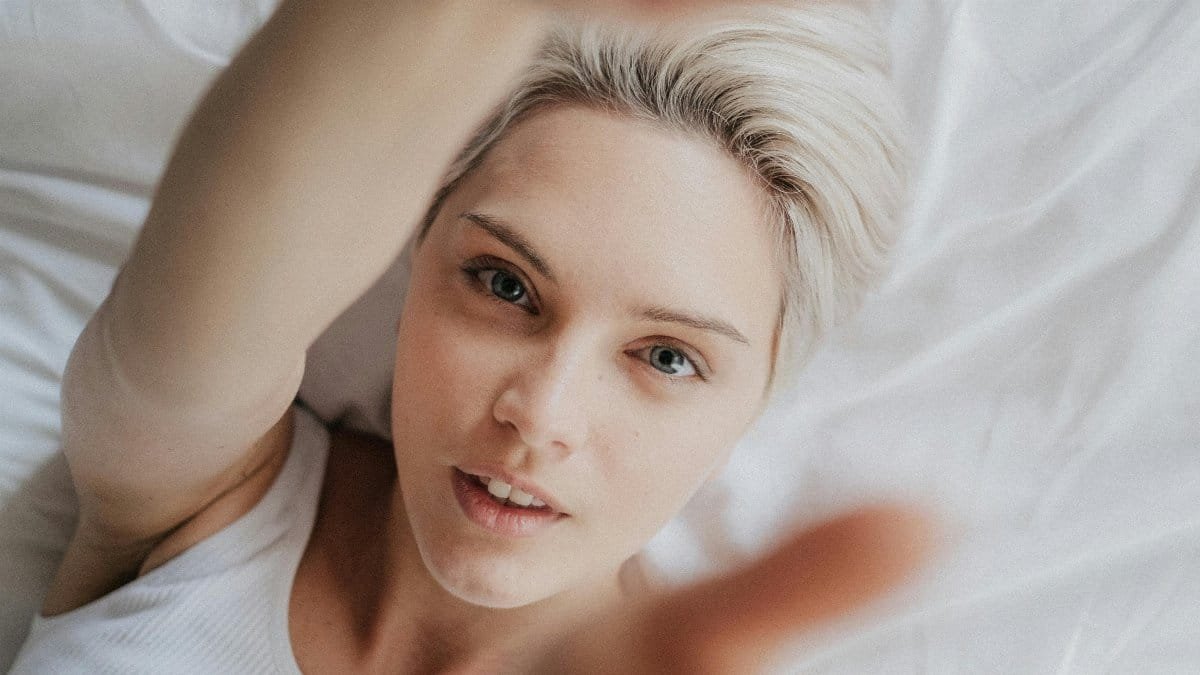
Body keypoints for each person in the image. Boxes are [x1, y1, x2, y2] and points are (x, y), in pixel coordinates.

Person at [14, 0, 928, 672]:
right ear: (414, 248)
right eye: (504, 284)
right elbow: (232, 249)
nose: (539, 413)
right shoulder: (206, 503)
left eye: (665, 356)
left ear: (761, 393)